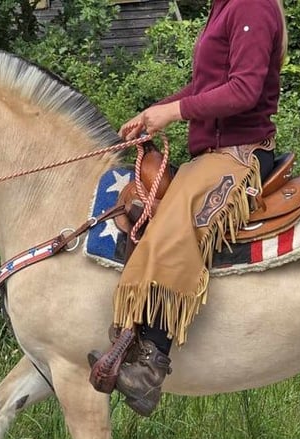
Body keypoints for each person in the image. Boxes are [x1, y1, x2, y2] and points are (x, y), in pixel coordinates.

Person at [89, 0, 288, 416]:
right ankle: (132, 334)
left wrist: (175, 112)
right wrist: (154, 112)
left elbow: (244, 89)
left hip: (239, 155)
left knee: (179, 218)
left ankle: (151, 364)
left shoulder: (252, 6)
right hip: (211, 154)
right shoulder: (224, 6)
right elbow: (206, 86)